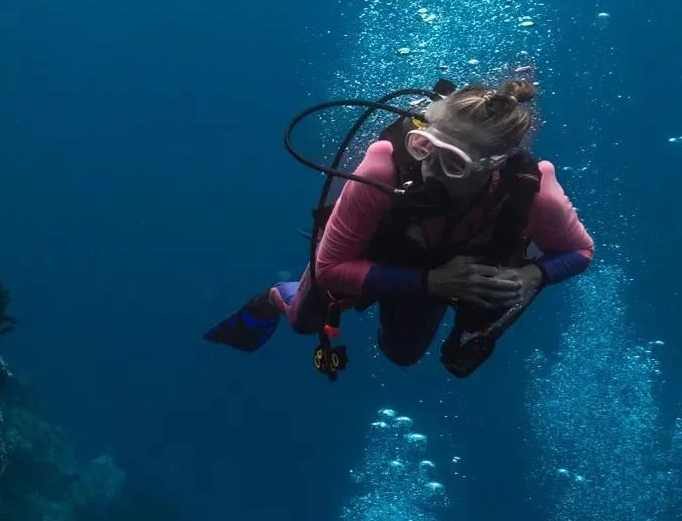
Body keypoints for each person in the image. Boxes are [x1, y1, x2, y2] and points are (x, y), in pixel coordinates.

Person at [208, 75, 594, 377]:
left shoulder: (532, 190)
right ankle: (276, 296)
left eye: (452, 162)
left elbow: (580, 252)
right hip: (369, 255)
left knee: (401, 355)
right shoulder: (384, 167)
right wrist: (432, 282)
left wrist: (530, 275)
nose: (428, 169)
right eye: (423, 147)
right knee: (303, 322)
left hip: (443, 272)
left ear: (495, 165)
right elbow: (330, 268)